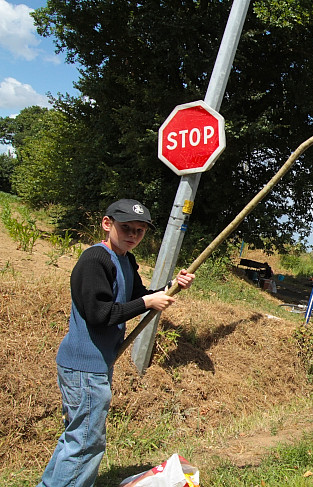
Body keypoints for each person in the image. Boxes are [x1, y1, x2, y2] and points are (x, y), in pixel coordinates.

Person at [37, 199, 196, 487]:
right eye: (126, 228)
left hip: (99, 363)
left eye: (139, 230)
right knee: (86, 443)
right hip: (84, 364)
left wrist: (173, 285)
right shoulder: (95, 260)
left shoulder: (125, 260)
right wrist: (148, 301)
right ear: (107, 223)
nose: (133, 235)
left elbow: (139, 297)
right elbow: (100, 314)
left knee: (76, 437)